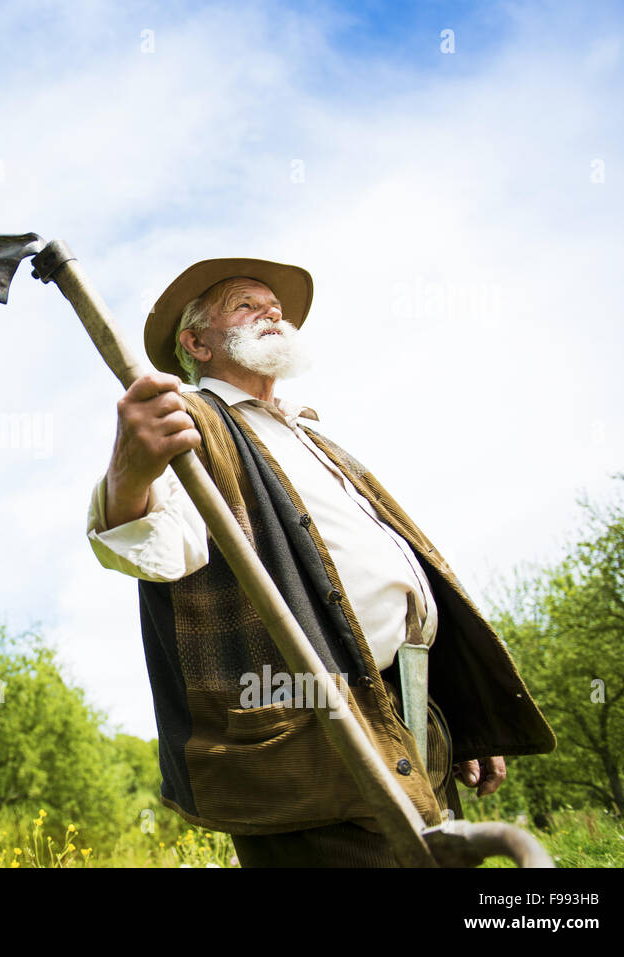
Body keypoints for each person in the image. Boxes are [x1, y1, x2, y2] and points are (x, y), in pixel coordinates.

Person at [86, 257, 556, 866]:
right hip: (314, 740)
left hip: (410, 718)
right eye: (244, 305)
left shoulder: (312, 439)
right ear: (196, 343)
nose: (272, 311)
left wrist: (451, 717)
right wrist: (129, 475)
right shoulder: (193, 422)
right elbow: (151, 547)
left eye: (273, 305)